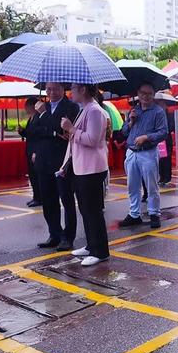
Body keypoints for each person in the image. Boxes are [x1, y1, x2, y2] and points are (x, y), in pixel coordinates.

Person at [59, 83, 110, 266]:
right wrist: (71, 134)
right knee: (85, 209)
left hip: (92, 168)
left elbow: (93, 140)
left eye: (73, 88)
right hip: (82, 167)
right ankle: (91, 245)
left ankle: (100, 251)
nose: (70, 92)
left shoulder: (94, 110)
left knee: (93, 210)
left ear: (82, 89)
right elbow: (83, 137)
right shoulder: (85, 109)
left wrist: (72, 129)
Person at [32, 82, 80, 251]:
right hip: (43, 159)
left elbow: (62, 129)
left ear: (63, 89)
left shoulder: (71, 107)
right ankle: (54, 234)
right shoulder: (41, 106)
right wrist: (50, 133)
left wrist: (46, 118)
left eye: (56, 88)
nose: (52, 92)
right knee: (48, 199)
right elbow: (34, 130)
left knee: (66, 199)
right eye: (49, 89)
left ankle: (68, 237)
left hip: (62, 160)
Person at [119, 83, 168, 229]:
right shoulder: (134, 110)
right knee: (132, 185)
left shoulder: (158, 112)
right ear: (138, 93)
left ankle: (154, 213)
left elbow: (163, 132)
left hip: (148, 152)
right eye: (142, 93)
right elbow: (124, 132)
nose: (145, 96)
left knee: (151, 185)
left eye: (149, 93)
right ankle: (134, 214)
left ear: (153, 95)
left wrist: (146, 137)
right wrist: (130, 122)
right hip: (132, 151)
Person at [18, 97, 42, 207]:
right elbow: (29, 134)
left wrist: (36, 151)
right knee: (32, 176)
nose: (25, 109)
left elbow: (38, 136)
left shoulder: (39, 118)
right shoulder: (31, 118)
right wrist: (22, 132)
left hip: (35, 151)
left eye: (27, 106)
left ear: (33, 106)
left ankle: (39, 197)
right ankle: (35, 196)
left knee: (37, 176)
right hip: (29, 149)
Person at [155, 94, 175, 186]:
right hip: (158, 140)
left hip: (166, 140)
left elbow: (172, 127)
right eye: (158, 103)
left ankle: (167, 177)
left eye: (162, 104)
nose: (160, 105)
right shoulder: (157, 115)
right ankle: (161, 177)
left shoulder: (170, 115)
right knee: (160, 159)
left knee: (166, 159)